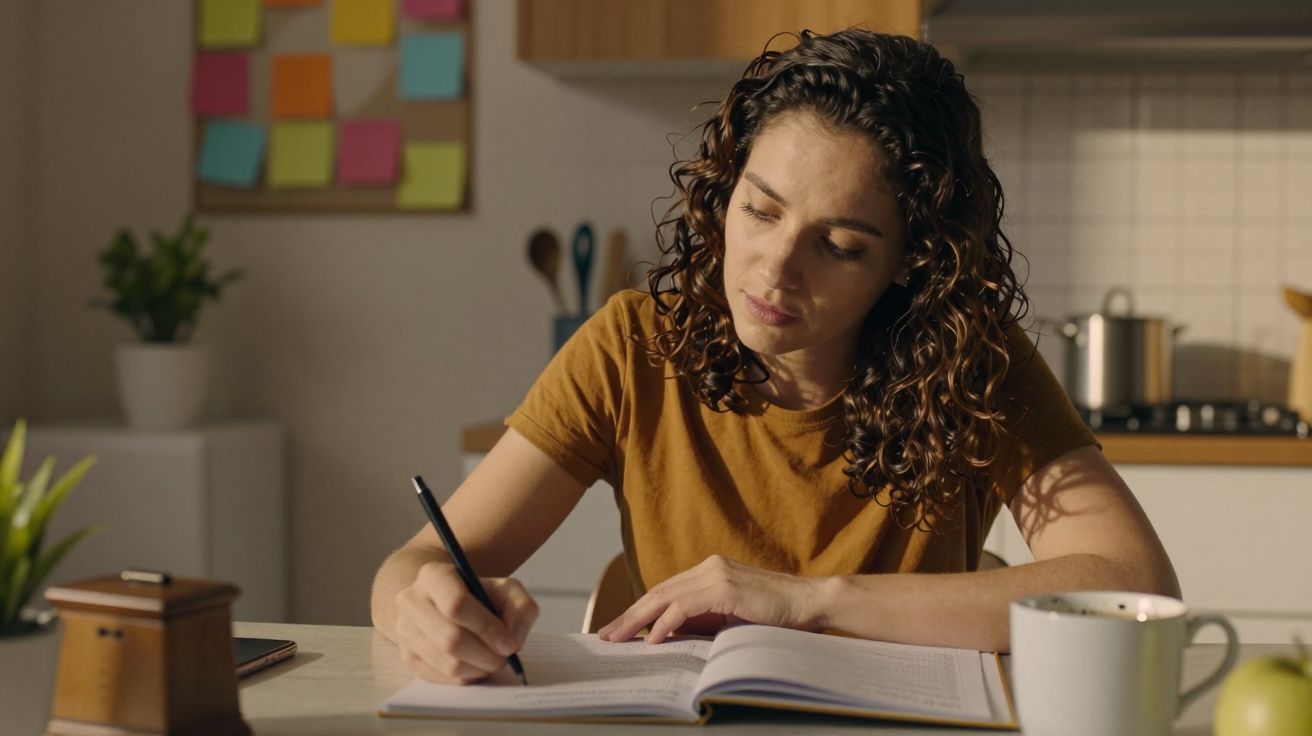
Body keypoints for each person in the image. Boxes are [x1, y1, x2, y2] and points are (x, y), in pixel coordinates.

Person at [370, 28, 1180, 685]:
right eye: (759, 211)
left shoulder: (972, 361)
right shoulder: (632, 347)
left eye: (839, 245)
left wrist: (807, 602)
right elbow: (417, 562)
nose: (775, 268)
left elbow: (1131, 584)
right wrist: (424, 605)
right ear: (727, 190)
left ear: (909, 262)